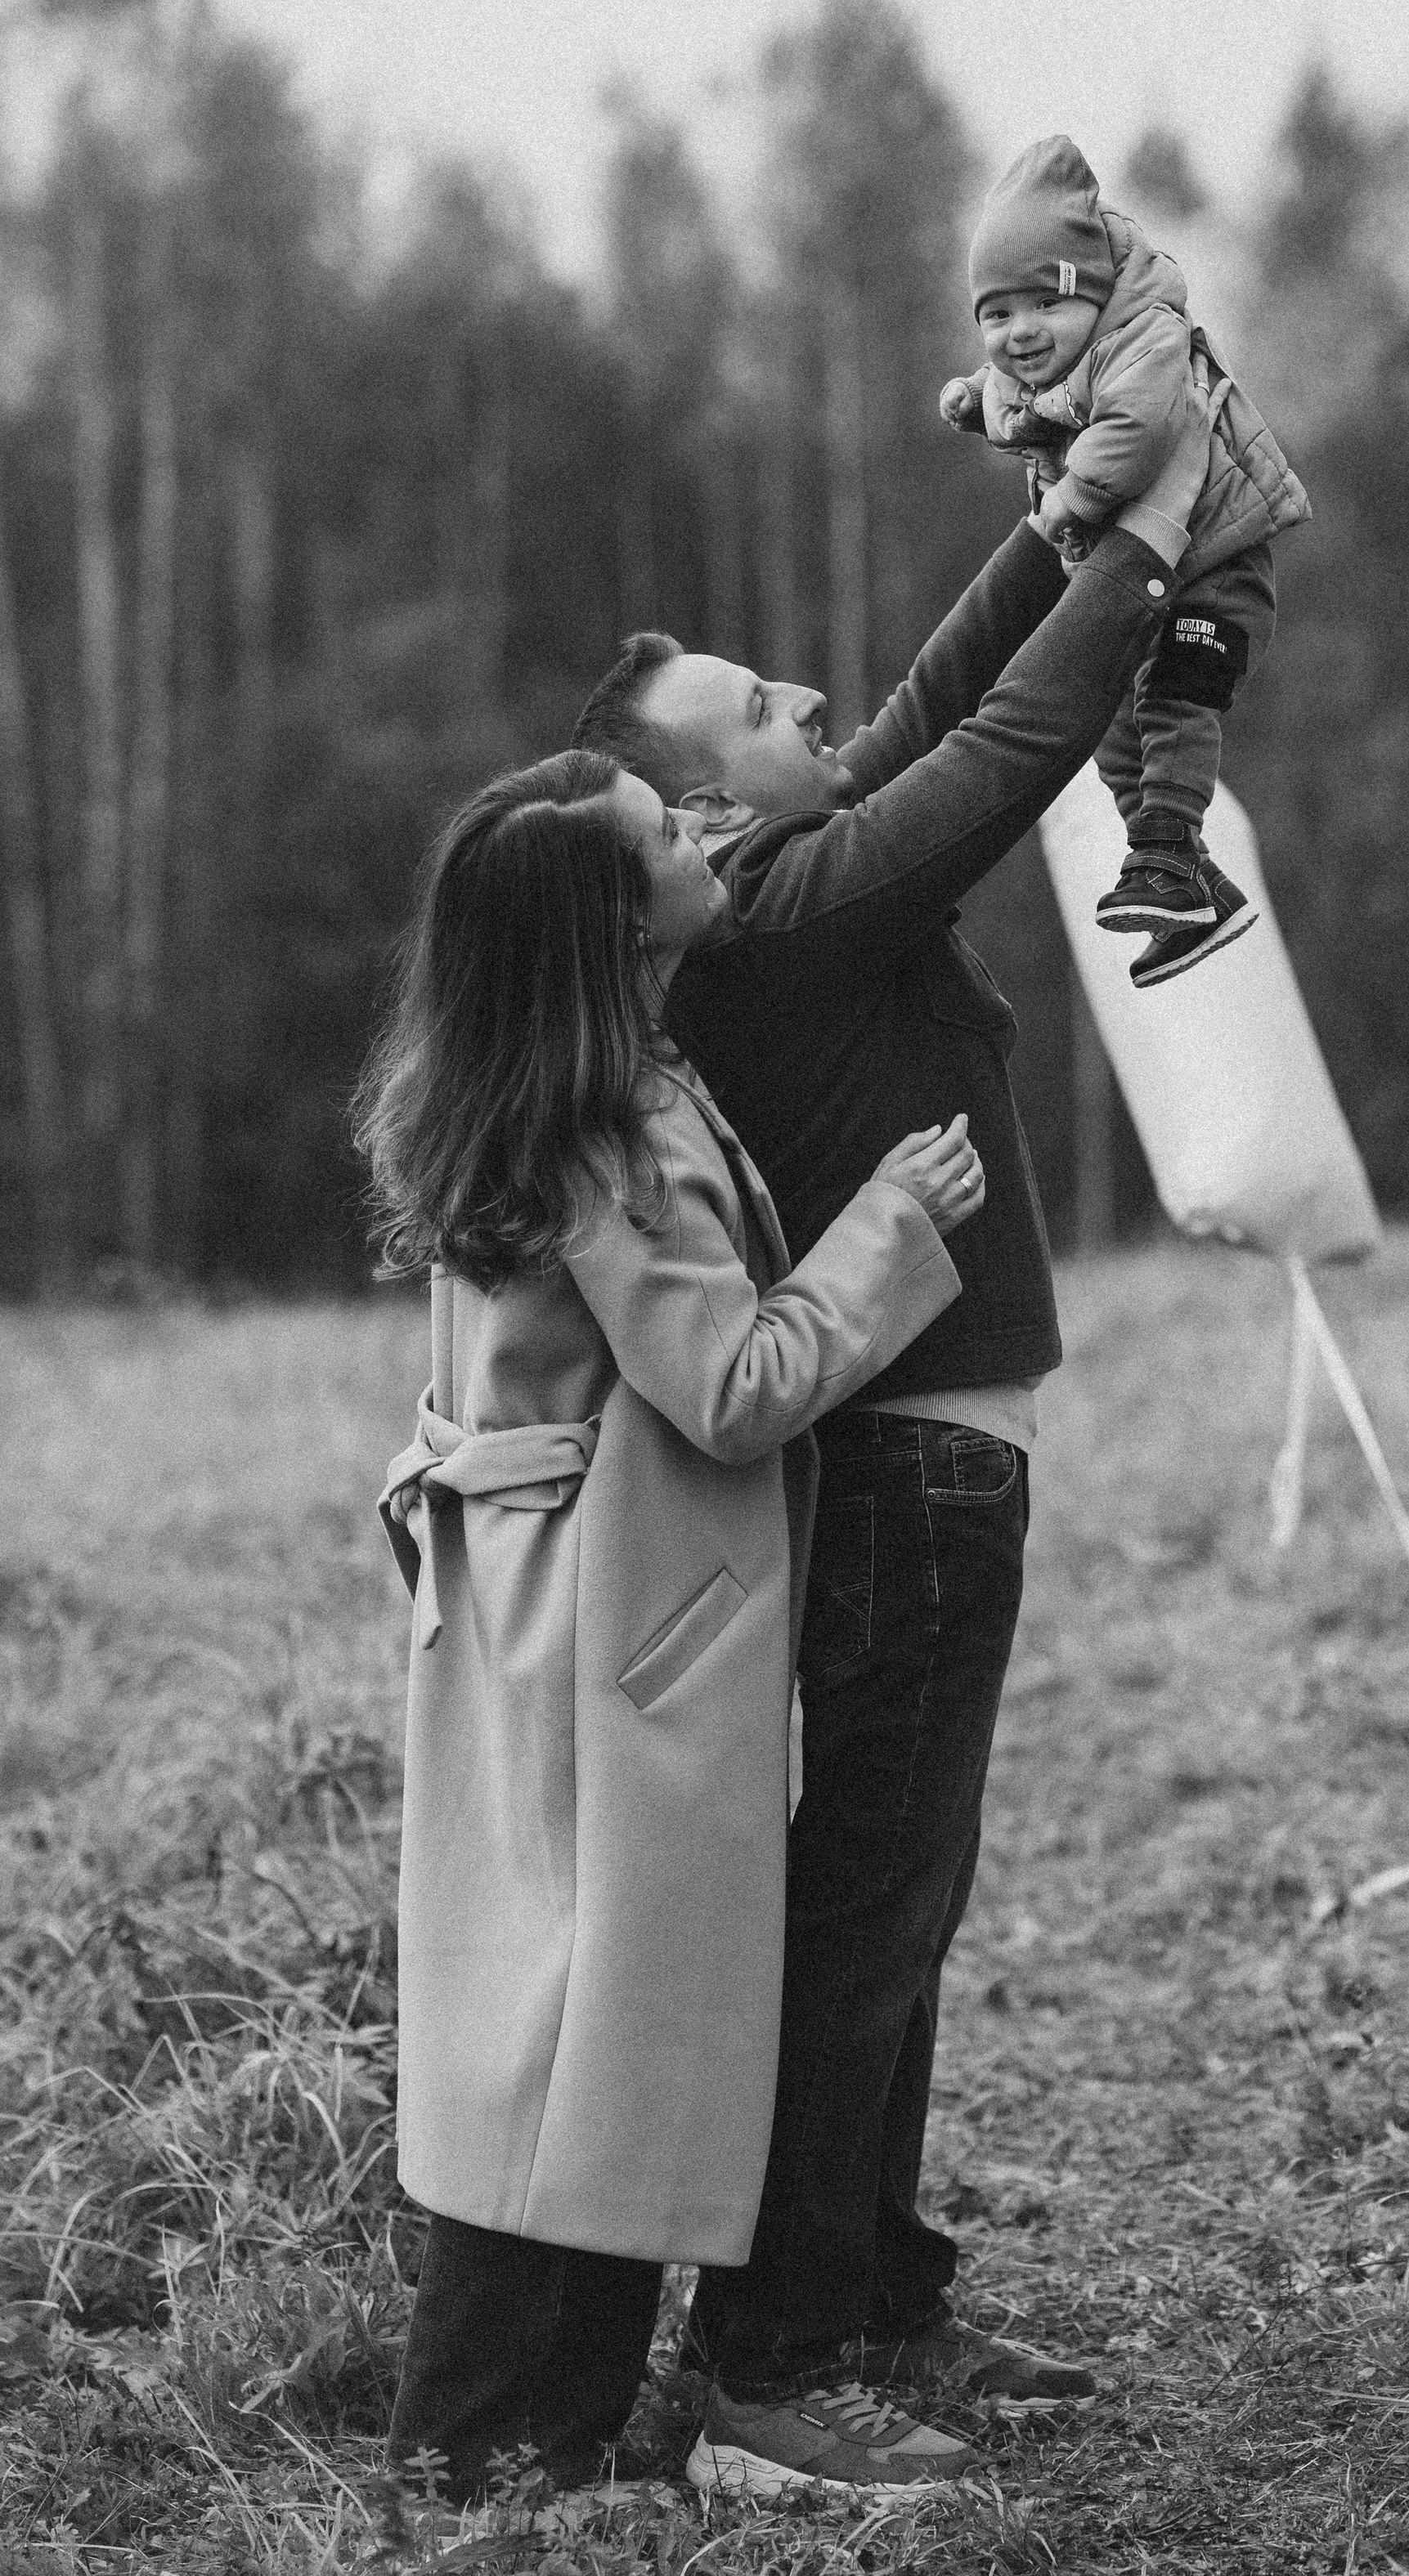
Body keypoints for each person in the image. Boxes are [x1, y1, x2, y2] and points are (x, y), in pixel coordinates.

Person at [569, 489, 1177, 2475]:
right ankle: (769, 2349)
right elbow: (1000, 747)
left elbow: (928, 693)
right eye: (756, 706)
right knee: (869, 1906)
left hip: (936, 1454)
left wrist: (1067, 515)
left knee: (896, 1897)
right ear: (708, 807)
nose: (811, 695)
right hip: (908, 1467)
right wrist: (1156, 550)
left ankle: (874, 2294)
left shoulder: (794, 871)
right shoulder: (788, 908)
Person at [354, 748, 988, 2507]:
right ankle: (493, 2450)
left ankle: (511, 2434)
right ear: (617, 928)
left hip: (552, 1606)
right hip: (608, 1624)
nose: (705, 827)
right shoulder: (606, 1132)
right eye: (667, 835)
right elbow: (729, 1386)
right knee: (592, 2009)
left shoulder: (562, 1083)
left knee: (565, 2003)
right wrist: (888, 1230)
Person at [940, 133, 1310, 985]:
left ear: (1093, 296)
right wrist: (973, 405)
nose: (1021, 335)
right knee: (1109, 731)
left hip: (1217, 568)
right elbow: (1019, 408)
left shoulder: (1145, 338)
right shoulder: (1038, 368)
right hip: (1144, 575)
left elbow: (1133, 433)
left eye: (1044, 307)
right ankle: (1193, 892)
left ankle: (1166, 850)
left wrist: (1065, 504)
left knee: (1177, 701)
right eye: (997, 316)